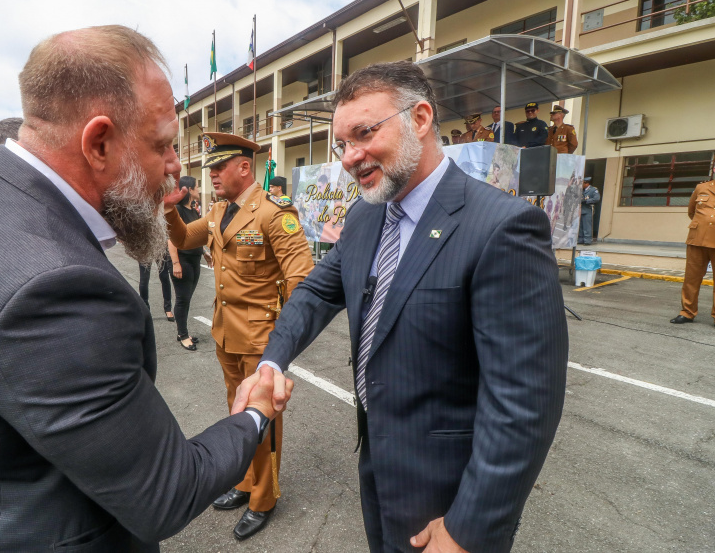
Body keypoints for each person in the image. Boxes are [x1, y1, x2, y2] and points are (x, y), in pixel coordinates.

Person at [0, 25, 292, 552]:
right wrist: (256, 412)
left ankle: (259, 494)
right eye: (163, 145)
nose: (178, 168)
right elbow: (166, 494)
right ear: (99, 142)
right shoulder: (56, 289)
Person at [243, 60, 568, 553]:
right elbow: (314, 292)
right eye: (342, 144)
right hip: (378, 468)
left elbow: (524, 404)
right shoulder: (365, 216)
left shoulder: (502, 227)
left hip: (450, 499)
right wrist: (272, 361)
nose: (351, 157)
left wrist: (468, 529)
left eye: (364, 133)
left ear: (419, 119)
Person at [163, 131, 314, 540]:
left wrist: (284, 345)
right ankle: (246, 482)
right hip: (227, 334)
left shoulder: (274, 211)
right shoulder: (218, 212)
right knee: (237, 414)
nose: (211, 174)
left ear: (244, 167)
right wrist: (170, 211)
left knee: (261, 420)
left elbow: (302, 279)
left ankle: (263, 498)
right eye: (210, 168)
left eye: (218, 167)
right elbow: (182, 239)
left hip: (263, 338)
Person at [670, 151, 715, 332]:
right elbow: (691, 211)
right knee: (691, 279)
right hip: (697, 240)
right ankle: (687, 312)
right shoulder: (701, 188)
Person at [169, 176, 205, 351]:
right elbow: (171, 238)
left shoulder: (193, 210)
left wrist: (205, 252)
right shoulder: (176, 210)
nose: (199, 190)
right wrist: (175, 262)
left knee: (187, 299)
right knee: (182, 300)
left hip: (194, 259)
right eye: (197, 187)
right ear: (189, 190)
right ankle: (183, 335)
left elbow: (195, 235)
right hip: (182, 261)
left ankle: (182, 332)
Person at [138, 249, 174, 320]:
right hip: (144, 246)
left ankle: (168, 308)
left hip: (160, 245)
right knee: (144, 279)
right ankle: (145, 309)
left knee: (164, 277)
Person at [579, 176, 600, 245]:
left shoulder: (593, 190)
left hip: (588, 209)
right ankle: (581, 239)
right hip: (581, 210)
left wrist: (587, 201)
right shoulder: (582, 190)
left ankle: (587, 240)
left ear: (586, 183)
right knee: (581, 226)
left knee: (587, 226)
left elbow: (596, 199)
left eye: (582, 184)